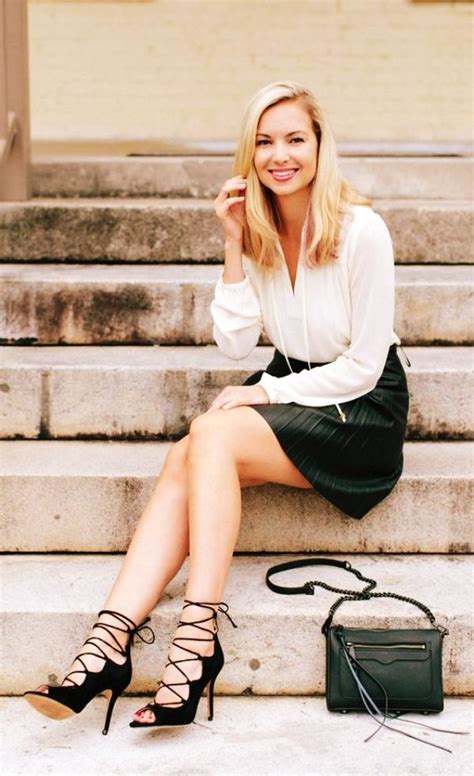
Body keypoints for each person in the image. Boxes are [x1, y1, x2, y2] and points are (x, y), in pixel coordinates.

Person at [24, 80, 409, 733]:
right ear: (249, 152)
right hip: (292, 385)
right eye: (264, 141)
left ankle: (196, 636)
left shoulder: (361, 231)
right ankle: (108, 644)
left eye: (295, 139)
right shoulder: (257, 230)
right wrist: (233, 243)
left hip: (361, 410)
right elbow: (234, 341)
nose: (279, 155)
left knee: (213, 434)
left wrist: (267, 391)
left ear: (320, 146)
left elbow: (364, 366)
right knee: (191, 450)